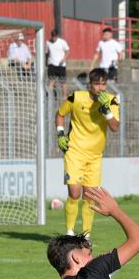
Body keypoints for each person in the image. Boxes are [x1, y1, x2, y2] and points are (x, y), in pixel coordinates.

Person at [55, 68, 120, 238]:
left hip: (95, 156)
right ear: (89, 85)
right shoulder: (76, 97)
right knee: (75, 192)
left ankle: (85, 236)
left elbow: (114, 127)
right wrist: (61, 133)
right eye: (96, 84)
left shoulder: (112, 101)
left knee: (90, 196)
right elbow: (60, 114)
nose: (100, 87)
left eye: (103, 84)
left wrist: (106, 109)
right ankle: (69, 233)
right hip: (74, 151)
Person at [46, 29, 70, 99]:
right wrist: (46, 62)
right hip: (52, 64)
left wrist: (64, 59)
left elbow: (68, 51)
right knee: (51, 82)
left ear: (57, 36)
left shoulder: (62, 42)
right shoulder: (48, 43)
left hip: (61, 65)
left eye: (55, 36)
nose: (54, 38)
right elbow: (47, 53)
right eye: (52, 36)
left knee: (63, 82)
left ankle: (64, 97)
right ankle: (50, 97)